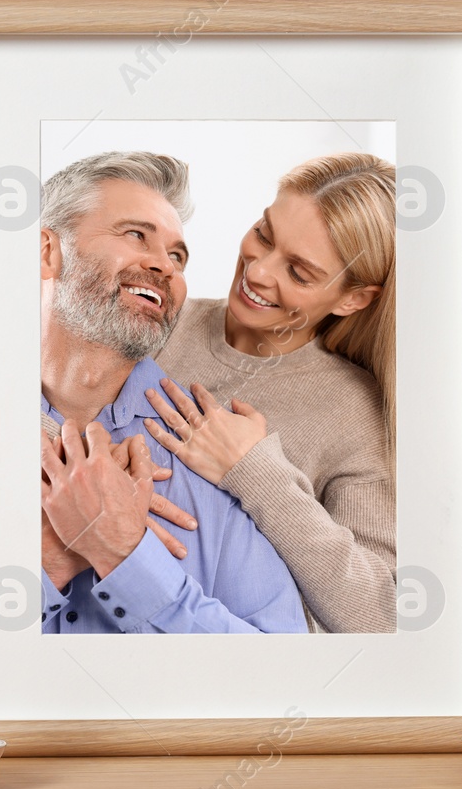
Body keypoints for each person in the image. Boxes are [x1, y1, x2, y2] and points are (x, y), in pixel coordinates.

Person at [37, 150, 306, 634]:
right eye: (136, 234)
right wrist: (47, 568)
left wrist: (122, 554)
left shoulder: (212, 457)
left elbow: (283, 667)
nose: (165, 266)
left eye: (178, 256)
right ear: (46, 252)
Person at [148, 153, 396, 633]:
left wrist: (256, 473)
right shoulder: (158, 320)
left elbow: (379, 615)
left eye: (299, 273)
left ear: (353, 298)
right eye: (264, 234)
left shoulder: (353, 411)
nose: (259, 271)